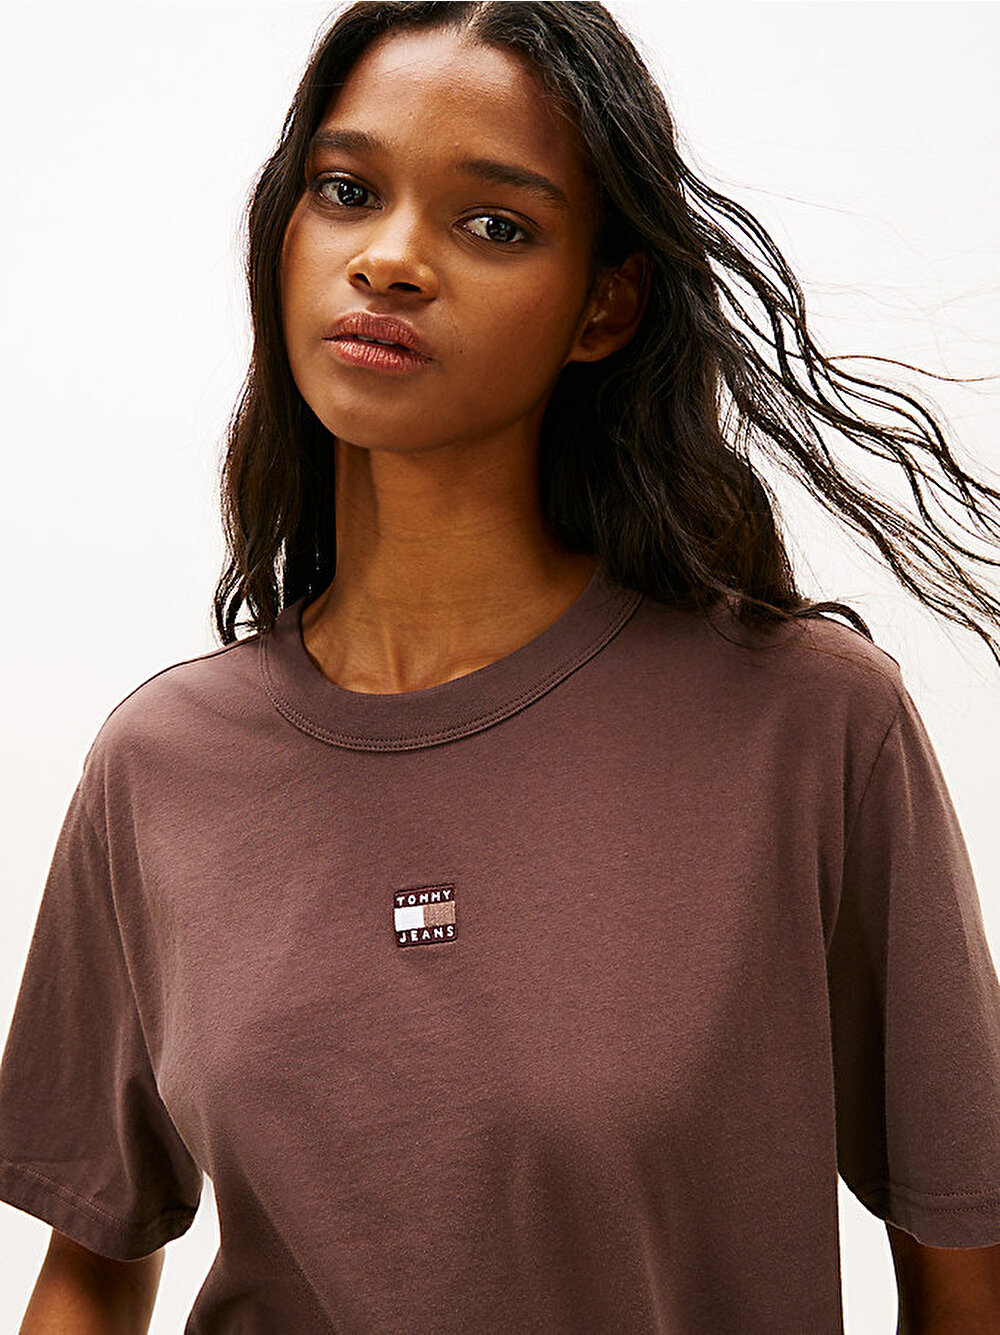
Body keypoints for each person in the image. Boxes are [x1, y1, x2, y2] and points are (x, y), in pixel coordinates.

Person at [3, 2, 1000, 1331]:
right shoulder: (161, 765)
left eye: (493, 224)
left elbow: (971, 1282)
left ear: (605, 305)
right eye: (347, 192)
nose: (390, 260)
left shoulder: (811, 727)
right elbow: (88, 1274)